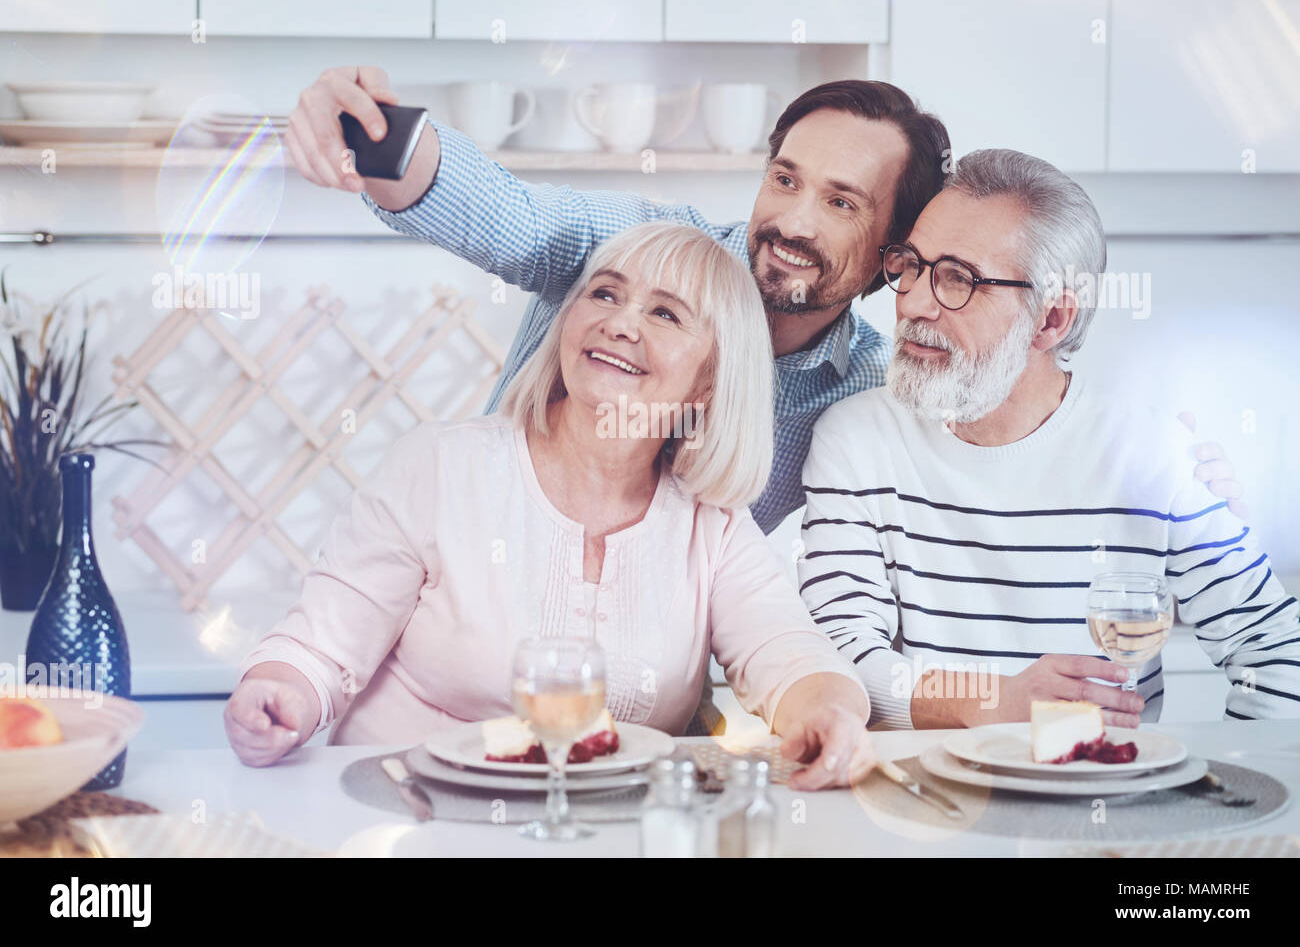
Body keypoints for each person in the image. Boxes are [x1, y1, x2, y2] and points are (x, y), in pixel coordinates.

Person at [285, 66, 1243, 732]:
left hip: (631, 731)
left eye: (841, 203)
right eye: (785, 178)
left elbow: (1000, 401)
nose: (789, 219)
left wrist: (1151, 454)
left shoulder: (872, 394)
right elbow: (502, 212)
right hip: (432, 701)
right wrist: (378, 137)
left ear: (891, 255)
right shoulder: (639, 252)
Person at [226, 222, 874, 790]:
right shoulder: (441, 466)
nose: (619, 322)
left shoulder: (713, 524)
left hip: (601, 833)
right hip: (406, 818)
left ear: (711, 380)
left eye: (666, 313)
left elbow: (788, 651)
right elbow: (323, 641)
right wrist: (283, 690)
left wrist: (827, 709)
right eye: (605, 293)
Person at [798, 148, 1300, 730]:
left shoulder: (1153, 453)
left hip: (1103, 800)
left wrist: (1221, 796)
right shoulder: (858, 440)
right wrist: (994, 701)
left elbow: (1275, 654)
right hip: (922, 806)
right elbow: (834, 657)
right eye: (911, 264)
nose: (911, 301)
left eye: (958, 279)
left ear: (1051, 320)